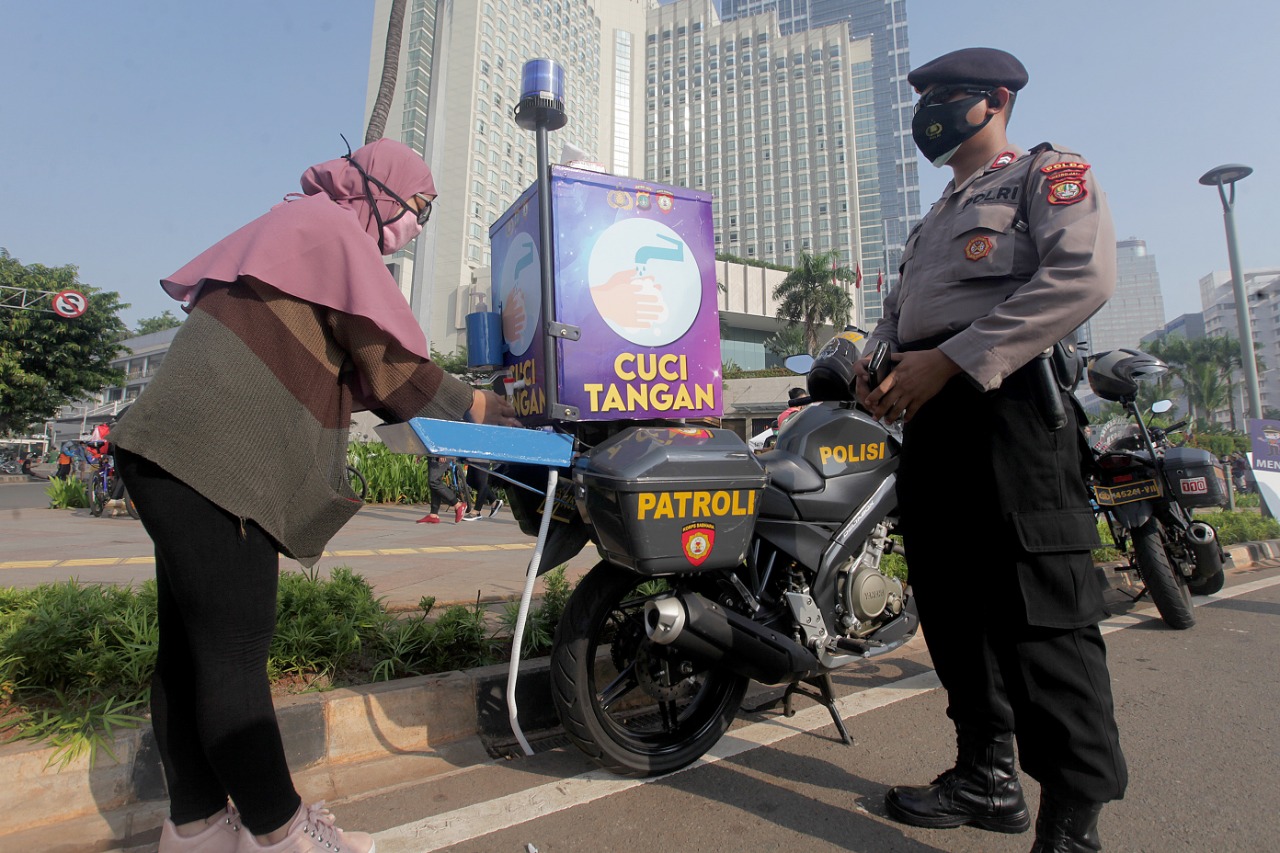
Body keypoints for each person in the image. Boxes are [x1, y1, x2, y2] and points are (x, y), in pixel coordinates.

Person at [111, 138, 519, 853]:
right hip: (218, 467)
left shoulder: (290, 224)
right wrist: (499, 410)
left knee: (187, 657)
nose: (413, 227)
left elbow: (348, 364)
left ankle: (197, 826)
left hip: (162, 454)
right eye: (417, 209)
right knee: (234, 662)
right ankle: (284, 834)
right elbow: (399, 378)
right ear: (382, 192)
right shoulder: (336, 238)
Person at [854, 48, 1126, 852]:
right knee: (952, 606)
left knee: (1042, 615)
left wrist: (951, 360)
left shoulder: (1046, 174)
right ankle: (987, 777)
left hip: (1006, 408)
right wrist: (878, 372)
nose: (929, 111)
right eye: (925, 98)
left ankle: (1073, 824)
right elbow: (898, 317)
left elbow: (1083, 276)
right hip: (930, 421)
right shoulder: (934, 216)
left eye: (946, 97)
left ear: (995, 101)